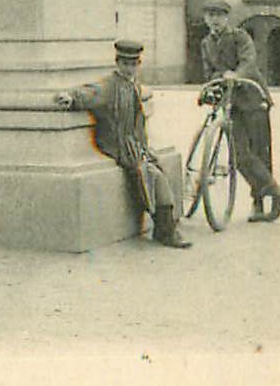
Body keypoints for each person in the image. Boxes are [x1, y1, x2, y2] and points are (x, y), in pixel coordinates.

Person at [54, 40, 192, 249]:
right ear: (118, 63)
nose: (129, 69)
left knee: (158, 169)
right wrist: (71, 97)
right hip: (117, 144)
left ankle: (167, 225)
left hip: (133, 144)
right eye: (125, 64)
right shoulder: (110, 85)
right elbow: (91, 92)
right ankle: (165, 230)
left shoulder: (133, 86)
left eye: (134, 64)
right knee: (150, 175)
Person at [199, 0, 280, 222]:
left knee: (260, 152)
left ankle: (260, 204)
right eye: (210, 16)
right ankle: (278, 193)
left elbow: (249, 62)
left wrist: (236, 75)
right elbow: (208, 71)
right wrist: (217, 80)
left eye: (219, 16)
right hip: (231, 103)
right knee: (240, 155)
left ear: (226, 18)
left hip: (253, 99)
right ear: (205, 19)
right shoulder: (206, 43)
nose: (215, 21)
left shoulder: (240, 37)